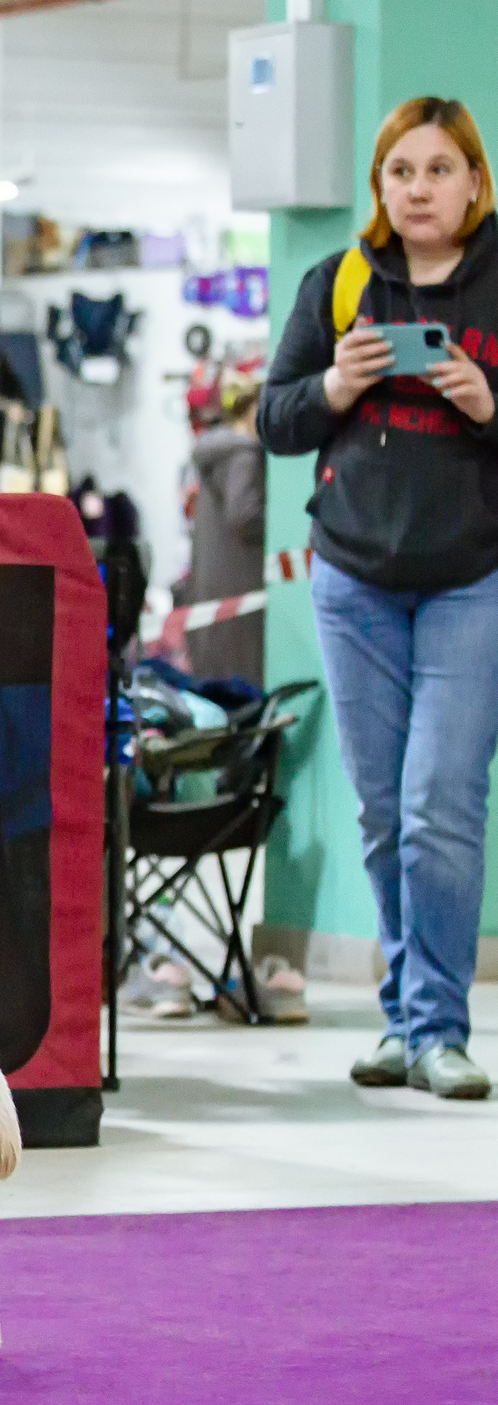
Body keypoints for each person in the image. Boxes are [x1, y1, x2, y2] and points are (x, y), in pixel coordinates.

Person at [259, 94, 498, 1103]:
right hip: (353, 579)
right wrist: (334, 391)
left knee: (438, 801)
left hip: (471, 577)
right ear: (379, 186)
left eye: (437, 169)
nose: (417, 190)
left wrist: (491, 406)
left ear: (475, 181)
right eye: (399, 172)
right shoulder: (340, 282)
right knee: (379, 810)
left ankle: (440, 1028)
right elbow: (272, 420)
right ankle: (402, 1019)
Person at [186, 369, 268, 686]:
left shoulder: (220, 451)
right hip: (239, 589)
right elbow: (245, 516)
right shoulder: (244, 454)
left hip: (215, 591)